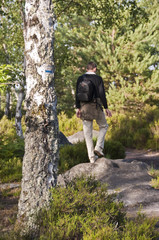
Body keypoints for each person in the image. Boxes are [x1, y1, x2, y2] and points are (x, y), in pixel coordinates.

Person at [75, 62, 112, 163]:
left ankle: (91, 158)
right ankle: (99, 147)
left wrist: (77, 108)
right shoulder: (98, 79)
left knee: (88, 133)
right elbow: (102, 94)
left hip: (84, 108)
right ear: (94, 69)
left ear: (87, 69)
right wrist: (106, 107)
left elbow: (77, 94)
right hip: (96, 106)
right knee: (104, 126)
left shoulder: (80, 78)